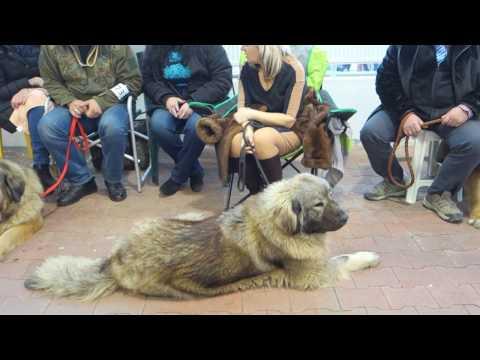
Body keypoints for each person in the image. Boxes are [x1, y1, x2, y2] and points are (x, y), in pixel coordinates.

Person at [360, 45, 480, 223]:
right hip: (409, 108)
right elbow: (385, 80)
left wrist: (467, 108)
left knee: (475, 141)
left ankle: (439, 193)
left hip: (454, 113)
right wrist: (405, 113)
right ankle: (394, 181)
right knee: (371, 133)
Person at [37, 45, 142, 206]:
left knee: (112, 126)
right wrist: (69, 101)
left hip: (112, 104)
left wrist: (101, 102)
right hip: (74, 107)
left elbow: (133, 81)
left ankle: (113, 179)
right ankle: (82, 180)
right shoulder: (51, 48)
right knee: (47, 126)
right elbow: (50, 81)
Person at [141, 45, 232, 196]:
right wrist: (166, 97)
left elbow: (223, 80)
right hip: (168, 104)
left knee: (196, 127)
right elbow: (147, 80)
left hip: (203, 103)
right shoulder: (153, 48)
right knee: (158, 124)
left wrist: (194, 102)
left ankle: (178, 177)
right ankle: (194, 170)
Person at [229, 45, 307, 194]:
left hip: (289, 129)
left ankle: (277, 200)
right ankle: (257, 194)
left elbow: (289, 120)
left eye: (246, 44)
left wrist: (251, 115)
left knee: (262, 140)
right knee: (234, 143)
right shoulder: (247, 69)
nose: (242, 48)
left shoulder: (293, 69)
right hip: (255, 125)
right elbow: (241, 111)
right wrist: (248, 129)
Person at [0, 45, 55, 189]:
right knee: (37, 101)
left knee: (42, 99)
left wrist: (34, 88)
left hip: (43, 92)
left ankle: (96, 151)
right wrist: (29, 83)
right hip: (7, 104)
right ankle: (41, 165)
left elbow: (54, 71)